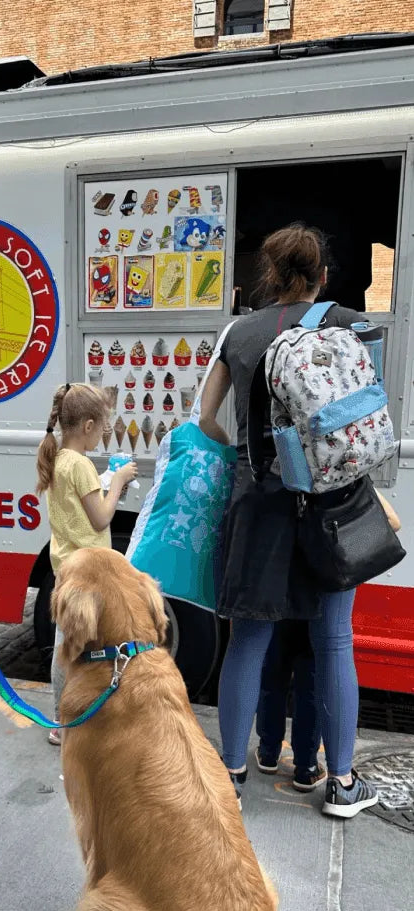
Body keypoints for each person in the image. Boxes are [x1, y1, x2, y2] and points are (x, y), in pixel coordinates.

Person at [198, 222, 379, 818]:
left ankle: (231, 776)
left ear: (267, 276)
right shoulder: (351, 324)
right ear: (325, 275)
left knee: (248, 639)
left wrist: (244, 460)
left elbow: (205, 418)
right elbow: (363, 413)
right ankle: (341, 783)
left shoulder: (238, 332)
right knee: (333, 640)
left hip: (262, 502)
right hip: (334, 501)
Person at [36, 383, 137, 744]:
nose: (105, 433)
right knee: (75, 647)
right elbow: (100, 519)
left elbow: (79, 510)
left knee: (72, 643)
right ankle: (66, 721)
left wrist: (107, 483)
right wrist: (119, 481)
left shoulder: (59, 458)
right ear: (89, 425)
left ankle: (67, 715)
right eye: (105, 425)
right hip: (88, 572)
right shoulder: (79, 466)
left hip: (67, 567)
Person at [255, 621, 324, 791]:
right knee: (310, 686)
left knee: (273, 674)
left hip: (281, 604)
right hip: (313, 607)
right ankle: (307, 767)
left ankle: (267, 753)